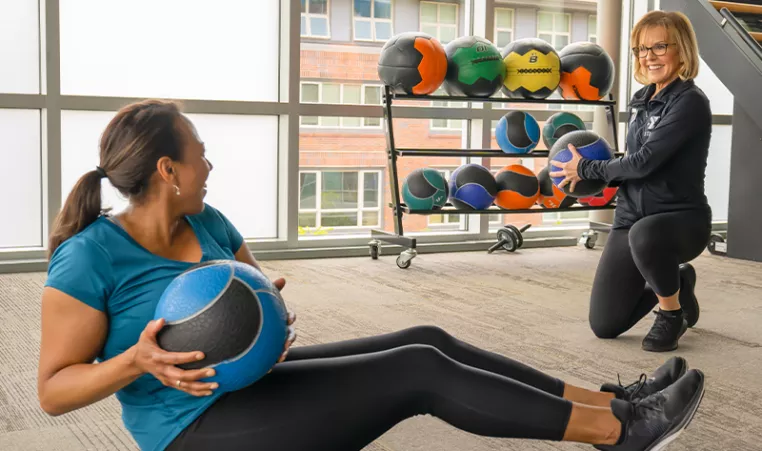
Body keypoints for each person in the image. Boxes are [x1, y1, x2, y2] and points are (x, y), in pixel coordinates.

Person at [38, 99, 705, 451]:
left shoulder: (205, 219)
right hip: (192, 431)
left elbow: (253, 288)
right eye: (200, 155)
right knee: (418, 371)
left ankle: (611, 404)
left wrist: (271, 308)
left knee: (426, 334)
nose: (209, 166)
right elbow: (53, 391)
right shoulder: (91, 255)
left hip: (248, 385)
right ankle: (622, 434)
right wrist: (136, 359)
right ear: (167, 170)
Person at [550, 10, 712, 352]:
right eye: (641, 49)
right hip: (630, 219)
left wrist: (588, 171)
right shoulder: (643, 102)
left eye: (659, 47)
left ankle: (672, 313)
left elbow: (644, 163)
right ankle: (677, 280)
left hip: (680, 220)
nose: (648, 57)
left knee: (646, 234)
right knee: (605, 325)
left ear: (681, 50)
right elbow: (630, 163)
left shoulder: (690, 103)